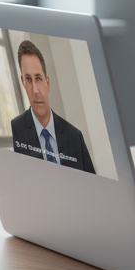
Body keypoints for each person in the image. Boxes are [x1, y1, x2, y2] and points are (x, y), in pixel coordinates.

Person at [9, 40, 97, 174]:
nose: (35, 90)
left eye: (38, 78)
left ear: (48, 83)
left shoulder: (75, 137)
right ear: (23, 83)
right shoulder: (16, 130)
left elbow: (93, 186)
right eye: (28, 79)